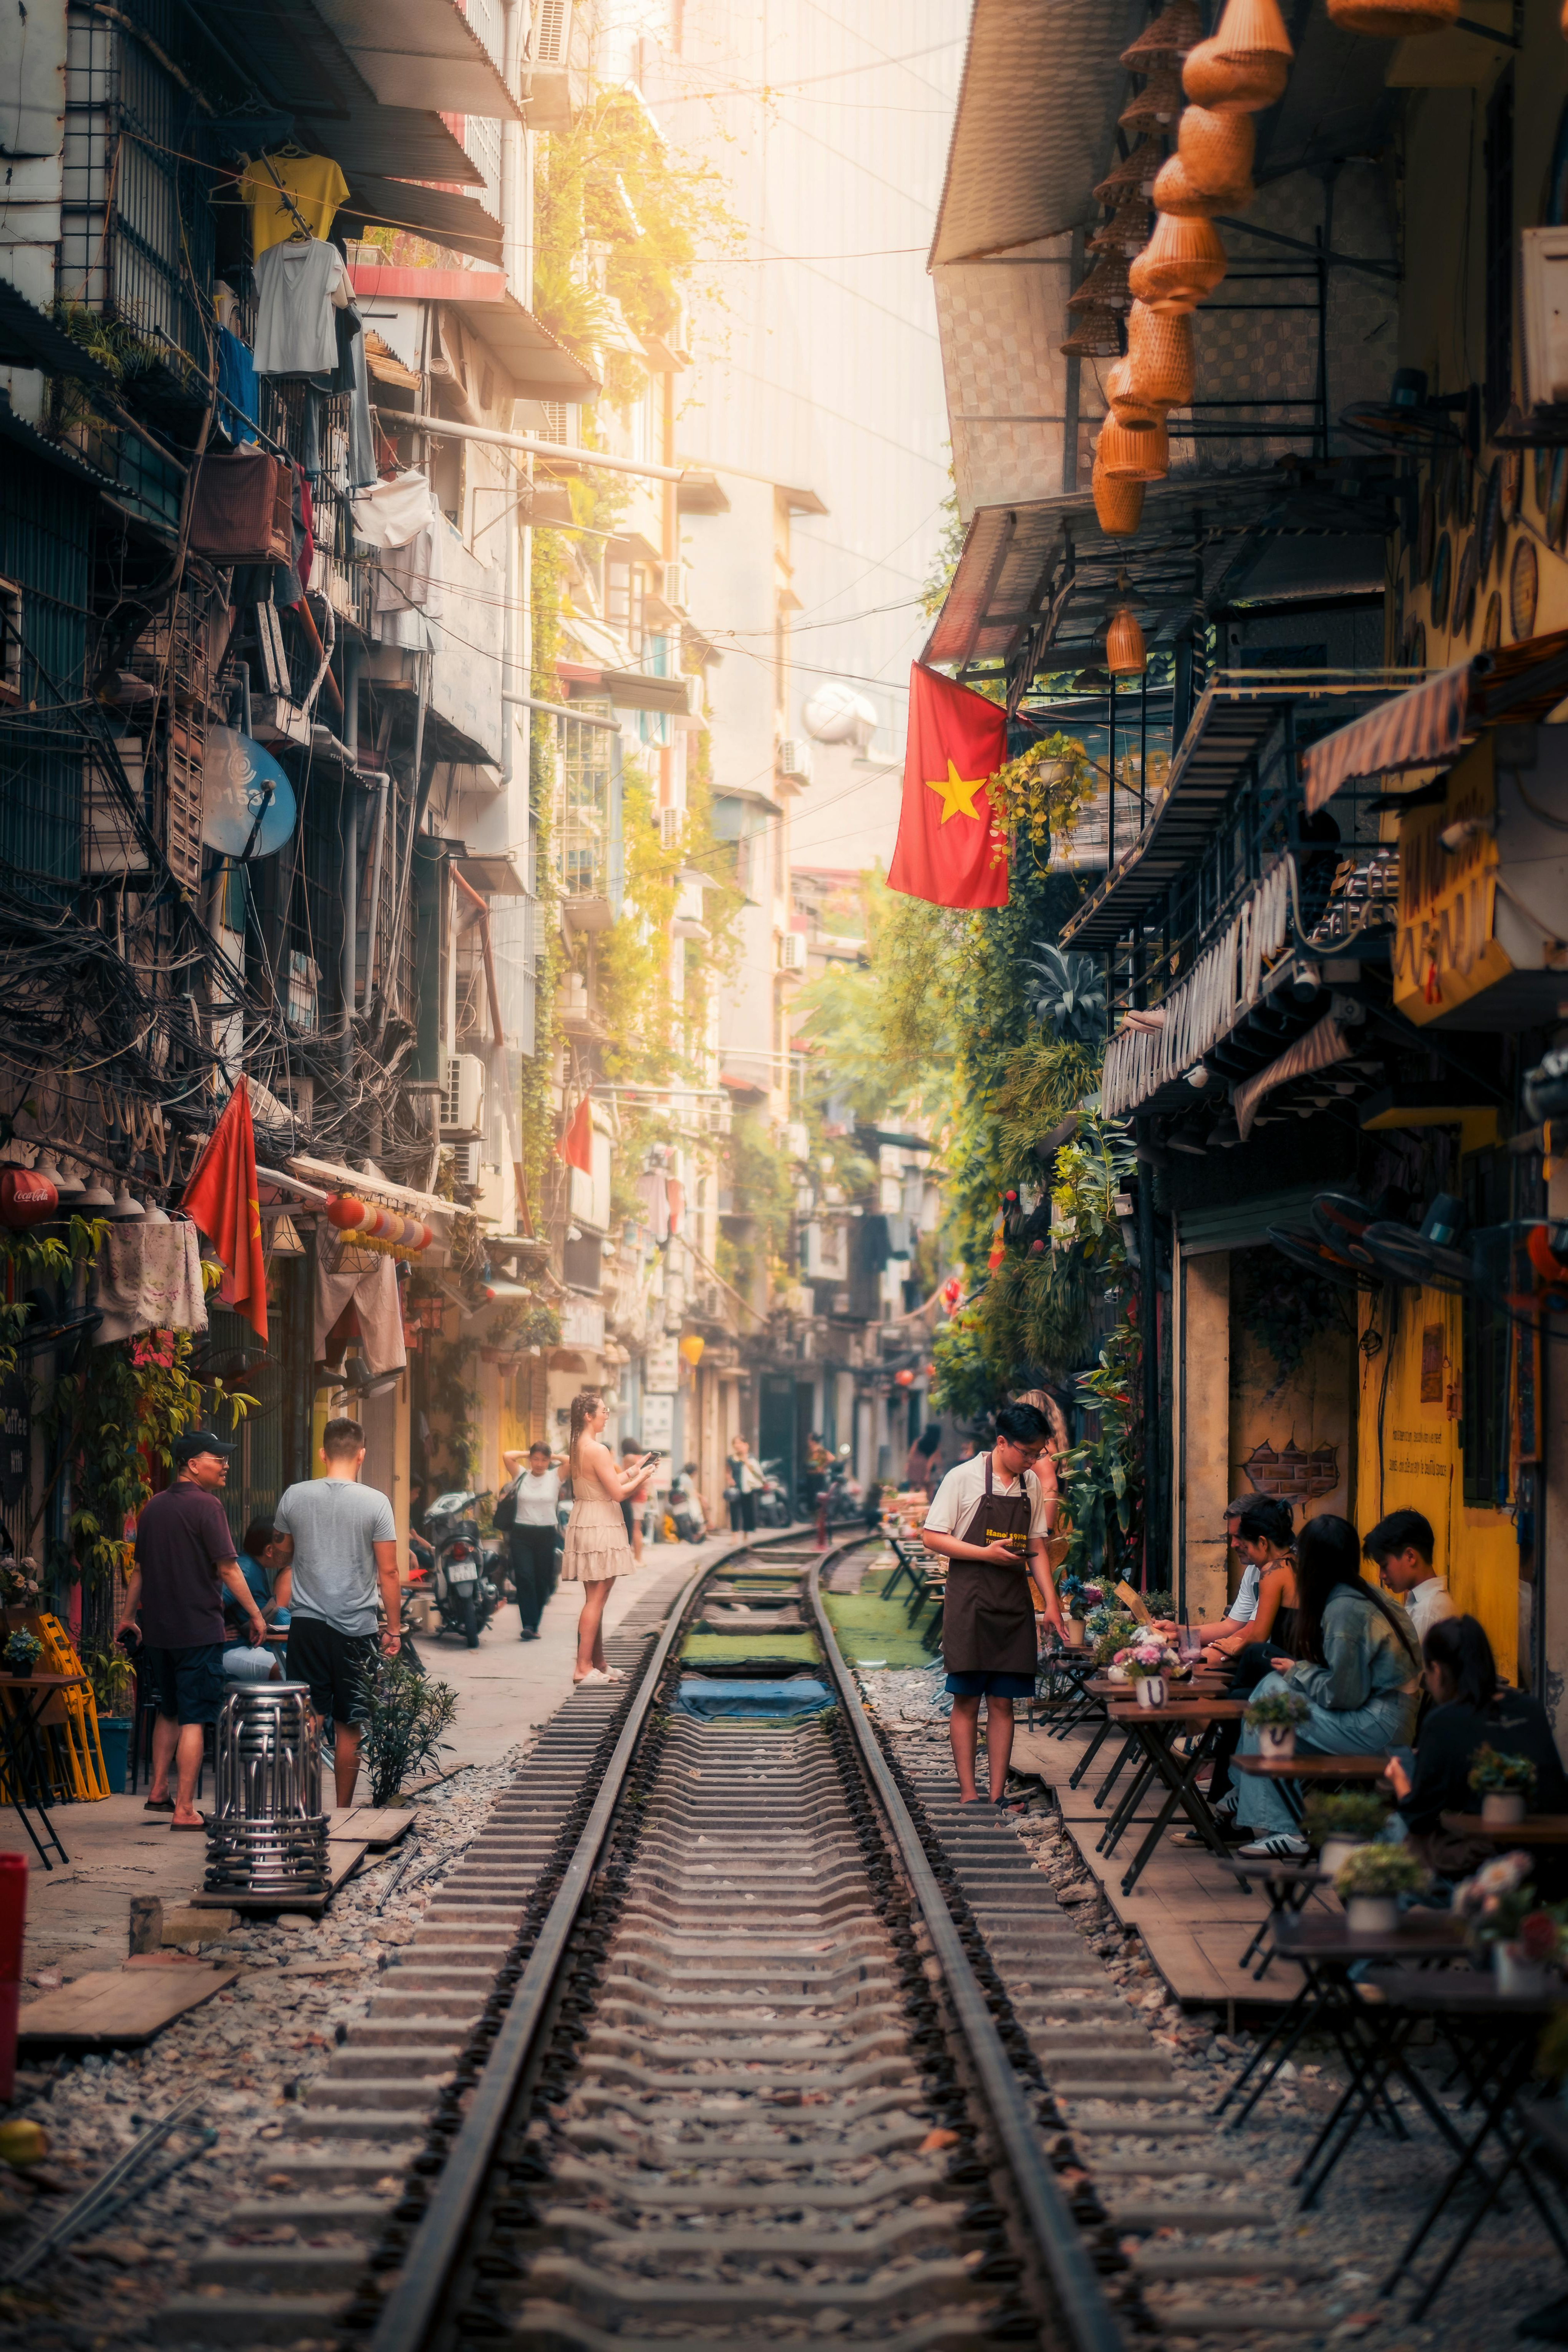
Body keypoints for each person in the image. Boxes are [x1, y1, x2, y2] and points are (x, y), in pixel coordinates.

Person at [1231, 1512, 1423, 1861]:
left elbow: (1344, 1695)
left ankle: (1281, 1826)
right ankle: (1247, 1791)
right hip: (1386, 1717)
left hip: (1380, 1727)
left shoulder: (1344, 1609)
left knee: (1271, 1703)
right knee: (1274, 1688)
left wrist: (1300, 1672)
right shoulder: (1359, 1595)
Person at [116, 1429, 268, 1829]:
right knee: (194, 1718)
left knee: (169, 1709)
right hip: (198, 1630)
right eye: (217, 1458)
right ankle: (184, 1809)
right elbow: (229, 1568)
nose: (226, 1464)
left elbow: (140, 1570)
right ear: (192, 1464)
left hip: (159, 1632)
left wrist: (129, 1616)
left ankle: (158, 1791)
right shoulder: (208, 1507)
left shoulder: (153, 1508)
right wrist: (255, 1614)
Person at [921, 1402, 1068, 1811]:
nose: (1033, 1460)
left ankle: (997, 1793)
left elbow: (1037, 1545)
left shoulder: (1030, 1485)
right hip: (969, 1602)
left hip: (1011, 1604)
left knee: (1003, 1702)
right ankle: (969, 1793)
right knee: (966, 1699)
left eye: (1038, 1453)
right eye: (1027, 1452)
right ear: (1001, 1442)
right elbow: (932, 1536)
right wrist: (984, 1554)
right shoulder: (961, 1477)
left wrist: (1051, 1605)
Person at [272, 1417, 401, 1807]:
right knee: (350, 1724)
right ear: (362, 1455)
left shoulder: (294, 1496)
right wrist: (393, 1629)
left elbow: (281, 1553)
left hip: (307, 1625)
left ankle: (306, 1807)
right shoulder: (376, 1502)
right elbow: (390, 1571)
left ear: (323, 1454)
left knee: (308, 1716)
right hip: (357, 1628)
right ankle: (343, 1811)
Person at [1386, 1615, 1568, 1883]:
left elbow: (1418, 1817)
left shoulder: (1444, 1721)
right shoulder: (1529, 1708)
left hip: (1493, 1866)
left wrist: (1399, 1781)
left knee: (1393, 1827)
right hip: (1553, 1859)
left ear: (1437, 1670)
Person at [561, 1391, 658, 1685]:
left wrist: (634, 1469)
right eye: (603, 1411)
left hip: (585, 1520)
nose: (607, 1415)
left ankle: (597, 1663)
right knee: (597, 1599)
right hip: (601, 1523)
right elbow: (617, 1494)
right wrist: (643, 1478)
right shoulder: (598, 1449)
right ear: (589, 1416)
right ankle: (582, 1668)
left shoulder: (578, 1446)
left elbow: (606, 1482)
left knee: (595, 1598)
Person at [1153, 1496, 1271, 1648]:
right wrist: (1178, 1633)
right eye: (1232, 1537)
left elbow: (1250, 1634)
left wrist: (1205, 1656)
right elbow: (1230, 1627)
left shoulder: (1280, 1570)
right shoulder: (1253, 1570)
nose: (1234, 1544)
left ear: (1262, 1539)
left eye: (1239, 1537)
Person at [1363, 1508, 1456, 1644]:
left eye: (1384, 1565)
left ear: (1410, 1557)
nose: (1381, 1576)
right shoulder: (1423, 1604)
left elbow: (1414, 1666)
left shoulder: (1427, 1612)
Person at [500, 1441, 561, 1642]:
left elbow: (572, 1461)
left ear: (549, 1460)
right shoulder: (522, 1475)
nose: (540, 1464)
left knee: (543, 1580)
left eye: (544, 1460)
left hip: (546, 1534)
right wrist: (529, 1452)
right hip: (522, 1533)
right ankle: (528, 1625)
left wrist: (553, 1457)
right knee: (525, 1577)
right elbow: (507, 1455)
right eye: (536, 1459)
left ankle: (535, 1624)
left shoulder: (555, 1477)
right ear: (530, 1459)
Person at [620, 1438, 652, 1562]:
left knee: (635, 1528)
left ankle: (638, 1558)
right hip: (642, 1497)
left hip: (635, 1497)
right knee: (637, 1528)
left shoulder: (630, 1458)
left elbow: (631, 1477)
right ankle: (638, 1557)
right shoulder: (640, 1458)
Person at [726, 1434, 763, 1533]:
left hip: (747, 1487)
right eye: (735, 1443)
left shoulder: (751, 1458)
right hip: (735, 1488)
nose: (737, 1445)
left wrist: (745, 1459)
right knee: (734, 1511)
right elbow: (727, 1472)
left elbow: (755, 1472)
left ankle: (746, 1534)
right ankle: (735, 1534)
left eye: (739, 1443)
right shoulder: (731, 1459)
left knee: (747, 1510)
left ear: (745, 1445)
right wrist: (730, 1480)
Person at [904, 1424, 943, 1497]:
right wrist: (928, 1473)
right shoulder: (935, 1443)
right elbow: (931, 1461)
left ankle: (911, 1501)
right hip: (924, 1466)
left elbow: (912, 1453)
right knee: (926, 1488)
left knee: (913, 1487)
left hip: (914, 1464)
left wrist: (908, 1464)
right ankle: (926, 1504)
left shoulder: (919, 1440)